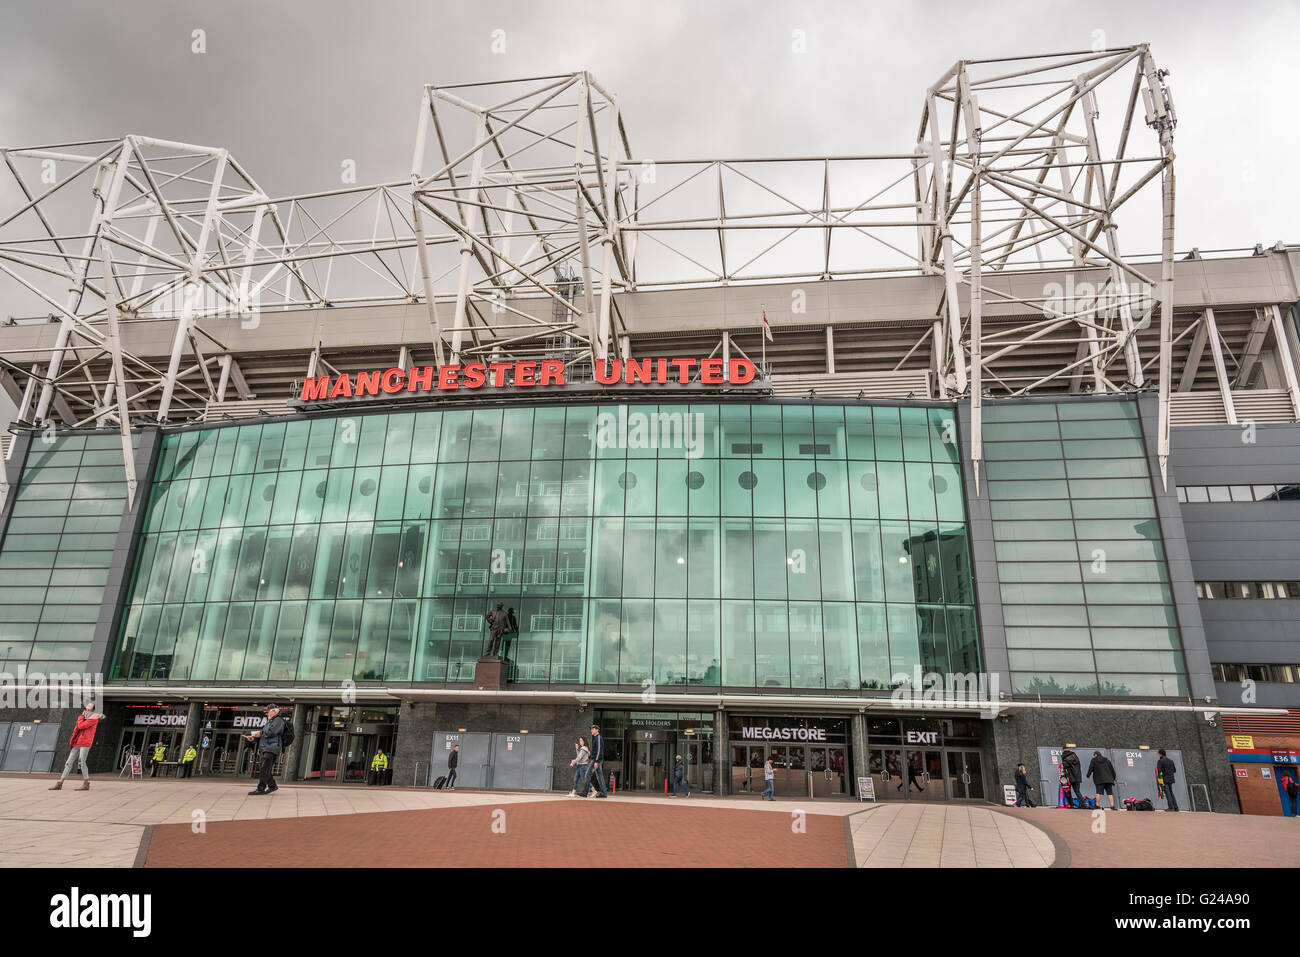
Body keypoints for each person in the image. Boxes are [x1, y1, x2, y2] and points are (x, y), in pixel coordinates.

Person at [49, 702, 105, 791]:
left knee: (82, 762)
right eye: (86, 708)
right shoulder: (85, 717)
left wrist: (81, 717)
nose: (86, 710)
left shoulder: (93, 718)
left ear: (93, 710)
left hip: (85, 743)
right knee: (68, 762)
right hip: (78, 742)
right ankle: (60, 783)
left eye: (89, 708)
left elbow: (81, 726)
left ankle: (86, 783)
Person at [244, 703, 287, 796]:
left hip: (272, 748)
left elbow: (271, 733)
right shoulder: (270, 722)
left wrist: (259, 733)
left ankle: (261, 788)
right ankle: (272, 786)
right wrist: (254, 738)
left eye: (268, 712)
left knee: (264, 768)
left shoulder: (278, 720)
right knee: (265, 768)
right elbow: (265, 734)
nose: (266, 714)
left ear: (274, 711)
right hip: (266, 748)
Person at [582, 724, 608, 798]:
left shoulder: (599, 738)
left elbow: (599, 750)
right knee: (599, 776)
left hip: (596, 760)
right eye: (591, 729)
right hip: (595, 759)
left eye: (592, 729)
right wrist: (589, 757)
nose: (591, 730)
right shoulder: (596, 738)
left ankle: (585, 792)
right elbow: (594, 751)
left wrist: (596, 761)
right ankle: (604, 793)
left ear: (597, 730)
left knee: (587, 774)